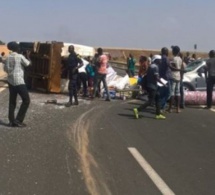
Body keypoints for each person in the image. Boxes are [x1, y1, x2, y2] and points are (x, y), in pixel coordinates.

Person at [3, 42, 31, 127]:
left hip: (11, 82)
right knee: (26, 100)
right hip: (19, 81)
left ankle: (11, 121)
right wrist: (28, 56)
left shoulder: (8, 57)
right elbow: (28, 64)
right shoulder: (20, 56)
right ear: (17, 48)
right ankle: (18, 120)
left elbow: (5, 69)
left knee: (12, 102)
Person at [133, 55, 166, 119]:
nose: (161, 61)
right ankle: (137, 109)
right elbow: (156, 78)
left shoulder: (150, 66)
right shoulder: (155, 67)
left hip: (150, 85)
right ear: (156, 60)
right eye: (160, 60)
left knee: (158, 98)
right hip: (152, 86)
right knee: (150, 101)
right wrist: (163, 83)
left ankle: (158, 114)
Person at [167, 46, 183, 113]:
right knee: (178, 93)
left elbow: (172, 68)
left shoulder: (174, 59)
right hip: (178, 77)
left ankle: (170, 108)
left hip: (173, 76)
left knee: (172, 93)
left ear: (174, 51)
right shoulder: (180, 59)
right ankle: (178, 108)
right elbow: (181, 68)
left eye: (173, 50)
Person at [159, 47, 172, 112]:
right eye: (167, 51)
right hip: (166, 78)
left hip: (162, 77)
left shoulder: (161, 58)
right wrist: (178, 69)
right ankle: (162, 106)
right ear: (165, 52)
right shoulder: (166, 58)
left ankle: (162, 106)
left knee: (162, 93)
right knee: (168, 93)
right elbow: (169, 66)